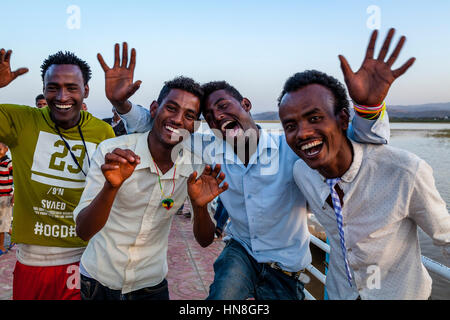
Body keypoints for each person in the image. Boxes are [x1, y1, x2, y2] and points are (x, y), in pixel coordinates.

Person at [109, 30, 394, 300]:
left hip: (286, 266)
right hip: (240, 250)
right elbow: (162, 128)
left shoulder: (290, 148)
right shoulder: (211, 148)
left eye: (223, 106)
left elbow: (353, 141)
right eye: (209, 115)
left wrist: (369, 109)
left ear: (245, 104)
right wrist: (123, 105)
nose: (218, 117)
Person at [278, 29, 450, 300]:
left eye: (314, 118)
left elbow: (446, 237)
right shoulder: (302, 173)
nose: (302, 133)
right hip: (339, 293)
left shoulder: (404, 172)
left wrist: (370, 109)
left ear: (343, 119)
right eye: (290, 125)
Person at [73, 72, 227, 299]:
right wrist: (111, 188)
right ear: (154, 108)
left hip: (150, 285)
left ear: (194, 126)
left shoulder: (195, 166)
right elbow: (83, 231)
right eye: (171, 108)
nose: (177, 120)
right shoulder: (113, 152)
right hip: (98, 280)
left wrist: (201, 206)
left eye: (189, 115)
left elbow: (205, 240)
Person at [0, 48, 115, 300]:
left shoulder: (103, 132)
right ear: (43, 88)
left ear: (86, 90)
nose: (62, 96)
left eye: (72, 87)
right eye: (53, 87)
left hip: (85, 260)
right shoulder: (21, 120)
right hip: (32, 262)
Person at [0, 142, 13, 256]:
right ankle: (15, 236)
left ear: (6, 149)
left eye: (1, 147)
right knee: (3, 223)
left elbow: (18, 179)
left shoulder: (8, 162)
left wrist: (15, 195)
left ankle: (1, 247)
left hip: (5, 197)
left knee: (2, 224)